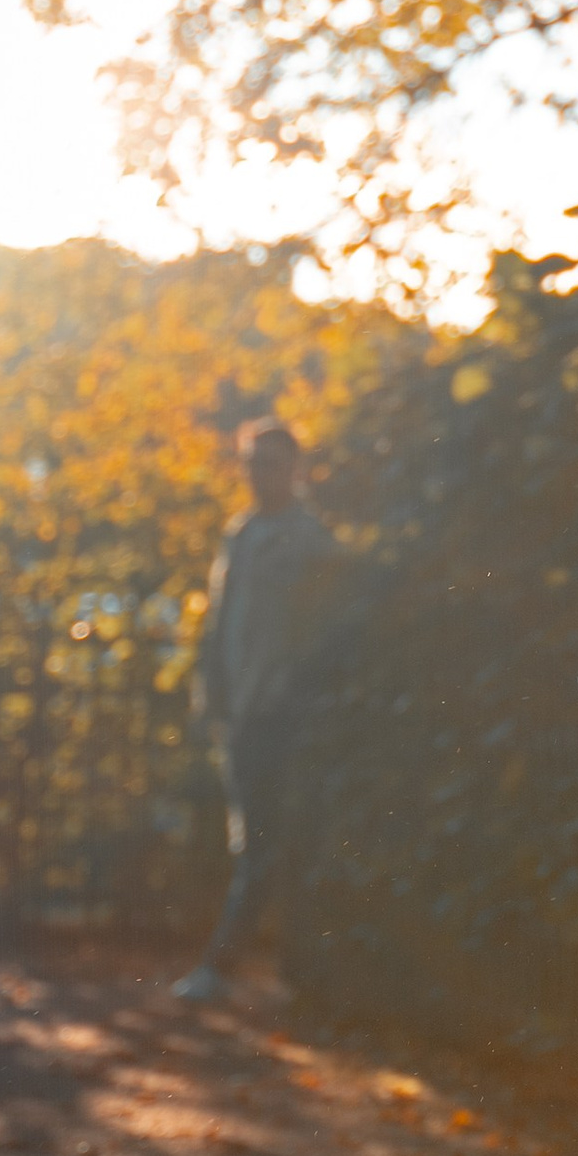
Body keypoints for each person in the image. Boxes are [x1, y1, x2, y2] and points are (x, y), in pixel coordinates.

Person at [173, 418, 342, 1004]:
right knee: (259, 840)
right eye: (250, 463)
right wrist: (212, 697)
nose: (257, 474)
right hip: (242, 714)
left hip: (282, 713)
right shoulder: (240, 534)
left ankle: (230, 967)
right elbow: (221, 623)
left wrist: (290, 689)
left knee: (268, 842)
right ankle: (282, 971)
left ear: (294, 468)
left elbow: (323, 630)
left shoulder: (311, 540)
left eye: (268, 463)